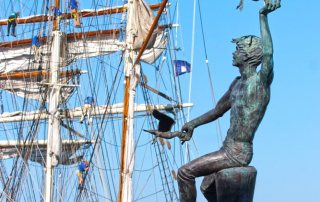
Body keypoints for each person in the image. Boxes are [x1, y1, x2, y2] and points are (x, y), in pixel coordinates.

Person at [149, 1, 281, 201]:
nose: (233, 53)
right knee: (206, 187)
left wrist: (263, 17)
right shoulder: (236, 84)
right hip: (226, 148)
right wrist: (192, 124)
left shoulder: (260, 82)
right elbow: (217, 110)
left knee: (185, 172)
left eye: (238, 49)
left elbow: (269, 54)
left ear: (247, 55)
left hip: (238, 152)